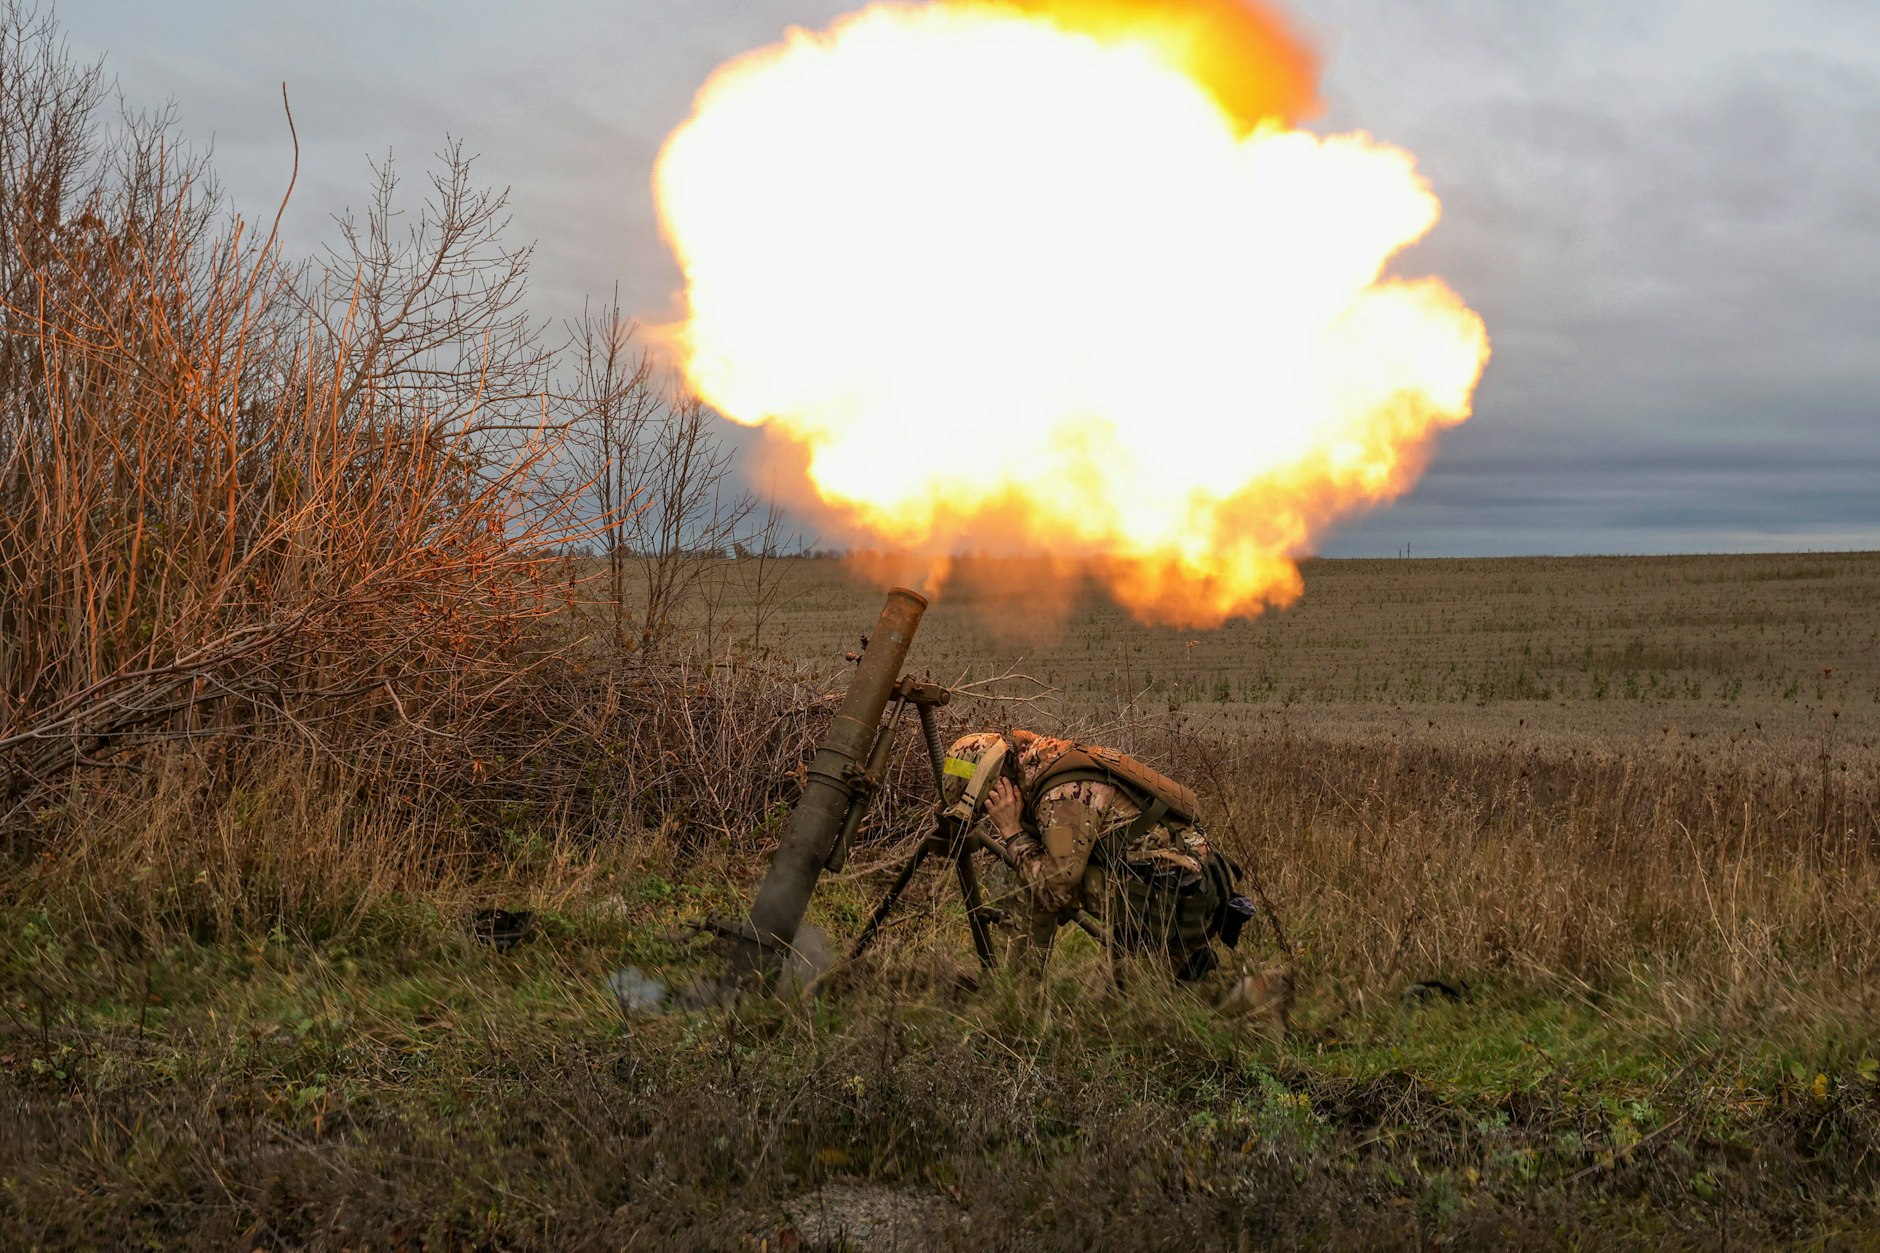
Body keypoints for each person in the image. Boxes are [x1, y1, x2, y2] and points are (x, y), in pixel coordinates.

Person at [942, 729, 1294, 1033]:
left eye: (985, 806)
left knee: (1132, 1018)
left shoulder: (1061, 796)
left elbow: (1056, 892)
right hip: (1178, 889)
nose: (988, 815)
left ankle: (1259, 991)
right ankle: (1021, 999)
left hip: (1173, 898)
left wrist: (1012, 832)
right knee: (1167, 996)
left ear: (999, 785)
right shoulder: (1046, 764)